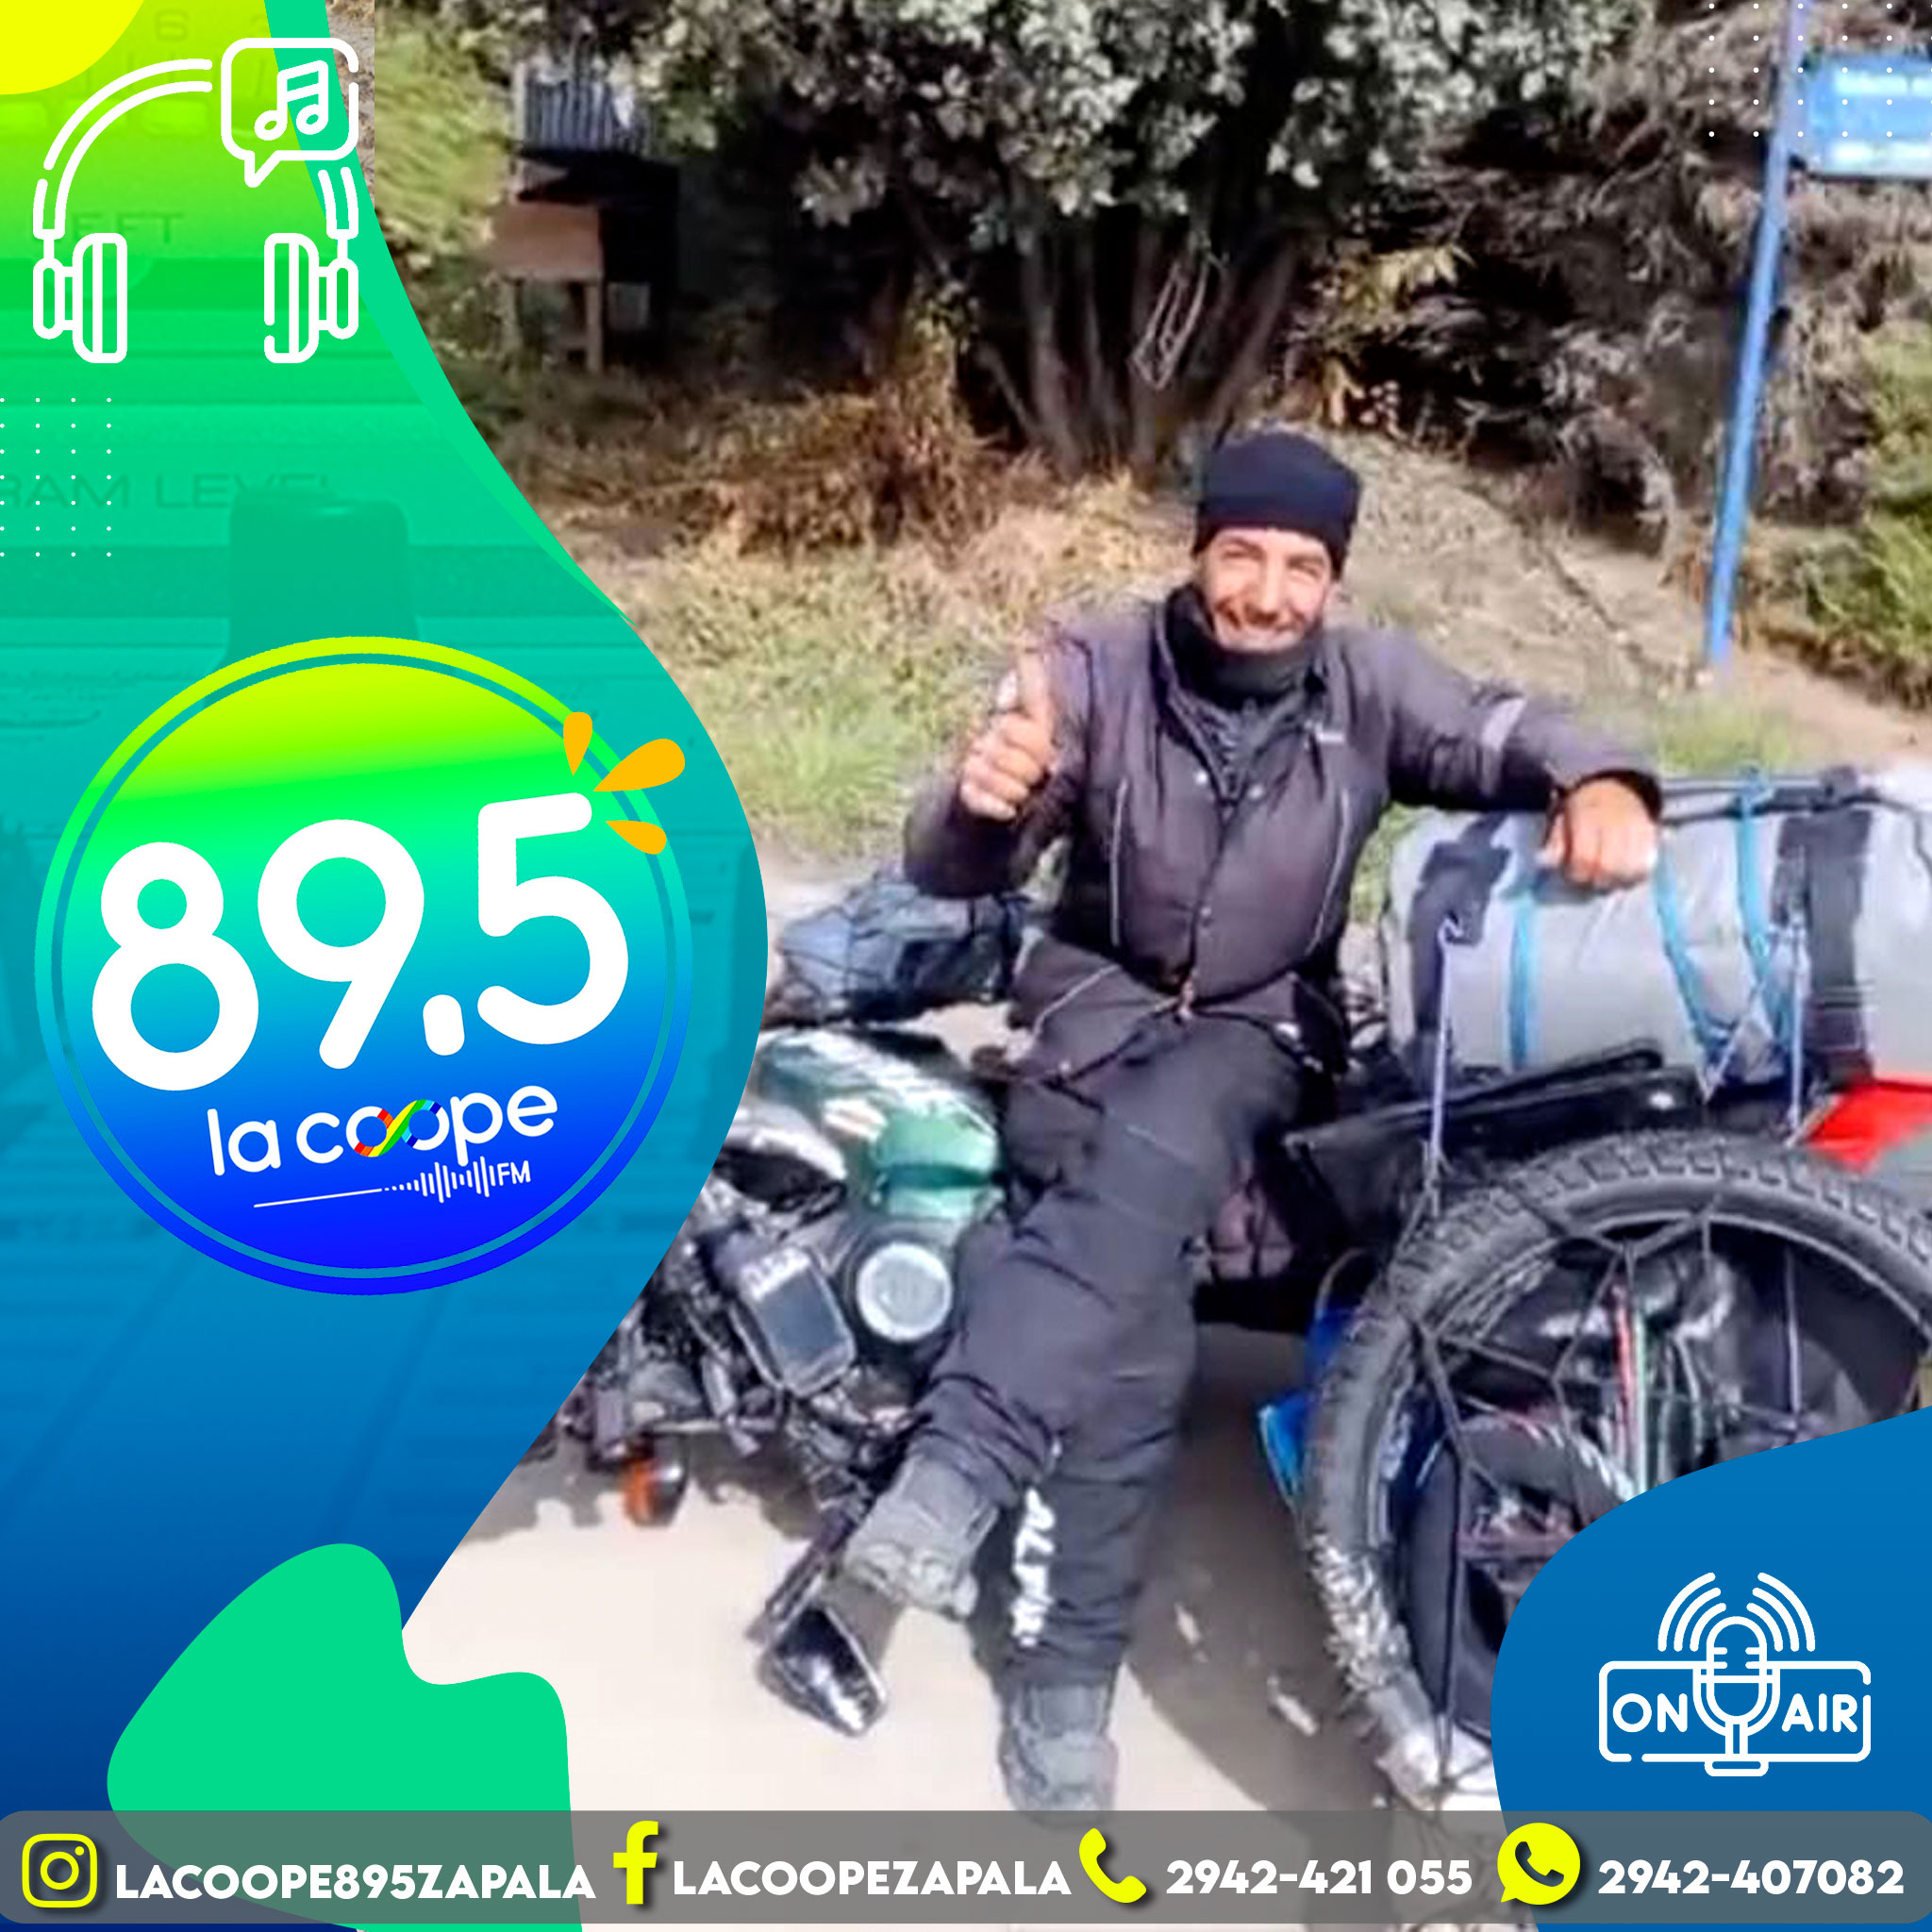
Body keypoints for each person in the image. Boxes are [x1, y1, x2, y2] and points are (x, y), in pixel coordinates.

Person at [839, 427, 1662, 1811]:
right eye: (1242, 556)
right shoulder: (1093, 669)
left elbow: (1505, 727)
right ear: (1197, 551)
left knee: (1181, 1125)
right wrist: (982, 804)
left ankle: (957, 1470)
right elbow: (957, 860)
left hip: (1262, 1031)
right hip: (1090, 1023)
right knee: (1134, 1325)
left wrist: (1607, 779)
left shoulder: (1369, 686)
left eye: (1300, 567)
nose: (1267, 595)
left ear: (1331, 580)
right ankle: (1065, 1676)